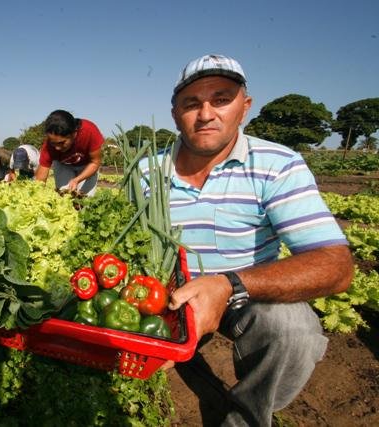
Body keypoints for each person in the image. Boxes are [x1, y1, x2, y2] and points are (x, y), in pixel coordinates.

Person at [148, 54, 354, 426]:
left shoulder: (277, 164)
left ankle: (245, 415)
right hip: (163, 293)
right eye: (192, 103)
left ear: (244, 107)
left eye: (221, 99)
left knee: (294, 331)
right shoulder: (146, 172)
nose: (206, 113)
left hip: (245, 293)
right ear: (175, 112)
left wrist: (227, 285)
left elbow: (335, 264)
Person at [35, 109, 104, 196]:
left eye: (62, 143)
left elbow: (95, 162)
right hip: (64, 165)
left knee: (85, 199)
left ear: (74, 133)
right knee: (64, 195)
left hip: (87, 166)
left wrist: (77, 180)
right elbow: (41, 178)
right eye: (53, 143)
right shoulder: (48, 146)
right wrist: (37, 195)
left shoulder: (89, 131)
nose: (57, 148)